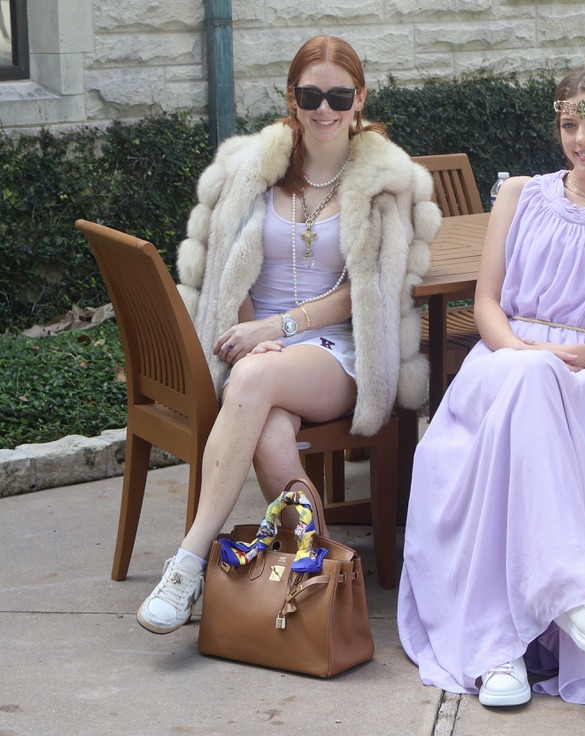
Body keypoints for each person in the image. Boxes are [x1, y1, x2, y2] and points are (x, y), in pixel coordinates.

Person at [136, 35, 440, 635]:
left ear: (359, 101)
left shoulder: (386, 183)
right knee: (271, 437)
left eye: (337, 96)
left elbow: (368, 294)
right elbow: (231, 264)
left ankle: (190, 559)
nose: (323, 109)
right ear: (291, 98)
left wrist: (279, 328)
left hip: (339, 350)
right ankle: (321, 584)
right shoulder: (253, 169)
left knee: (252, 379)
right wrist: (253, 328)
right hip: (259, 347)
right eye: (310, 95)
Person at [397, 66, 585, 707]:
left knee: (541, 391)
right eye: (570, 124)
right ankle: (572, 597)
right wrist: (525, 354)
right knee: (527, 382)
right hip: (505, 360)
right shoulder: (519, 194)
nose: (582, 138)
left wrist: (582, 355)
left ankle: (502, 648)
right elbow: (487, 303)